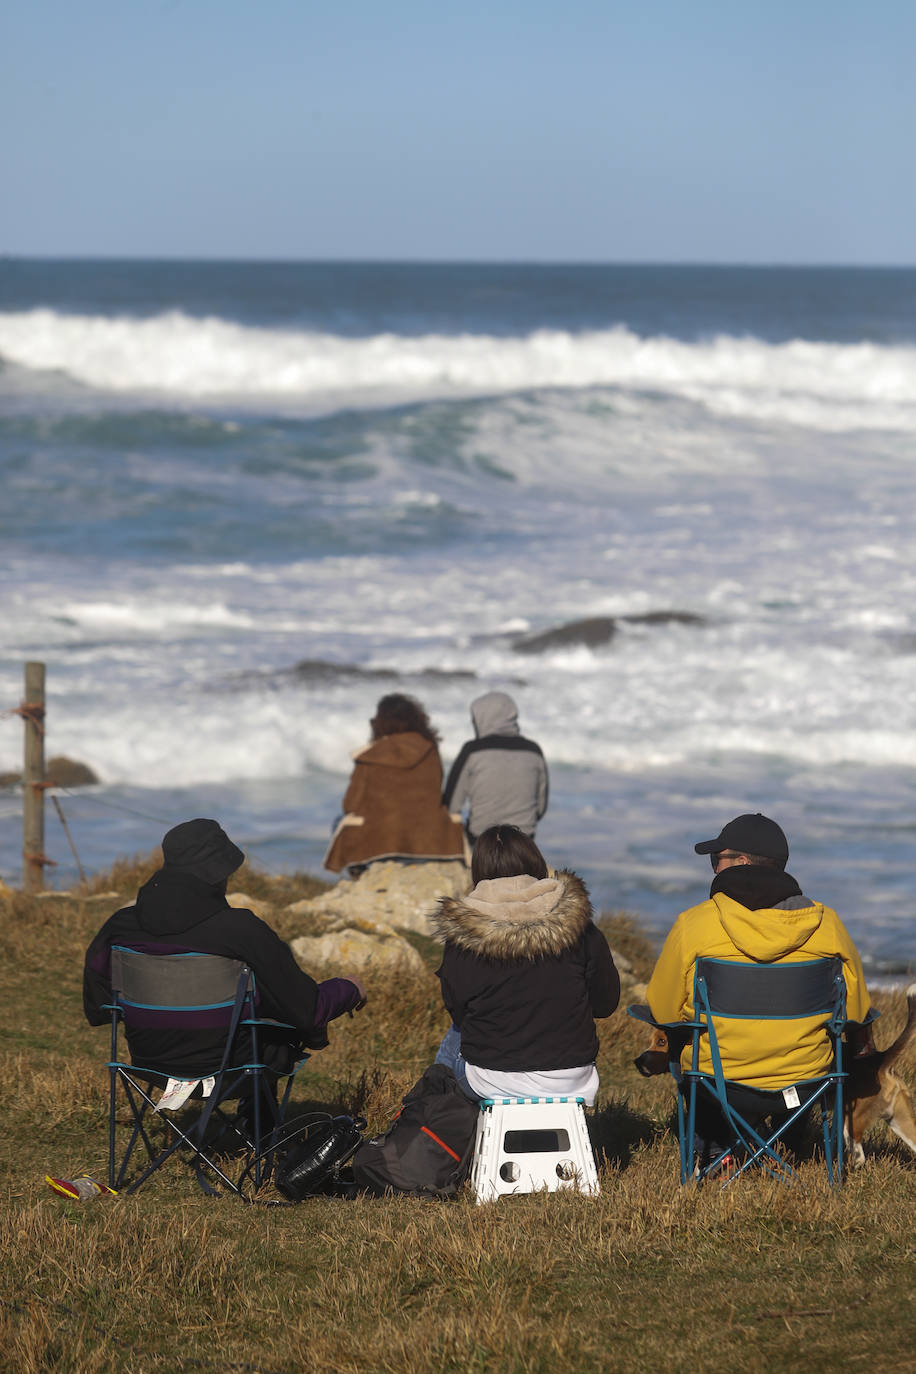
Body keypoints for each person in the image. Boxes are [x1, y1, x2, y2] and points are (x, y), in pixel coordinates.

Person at [645, 811, 874, 1160]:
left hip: (717, 1083)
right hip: (805, 1080)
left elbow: (663, 1011)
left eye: (715, 859)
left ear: (740, 861)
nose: (714, 868)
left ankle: (719, 1149)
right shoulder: (827, 924)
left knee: (683, 1046)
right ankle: (788, 1142)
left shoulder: (694, 924)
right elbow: (855, 1014)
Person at [84, 818, 367, 1084]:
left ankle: (253, 1121)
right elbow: (308, 1010)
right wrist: (350, 988)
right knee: (272, 1024)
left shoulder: (120, 926)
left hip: (149, 1065)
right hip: (234, 1068)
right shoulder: (241, 930)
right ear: (219, 875)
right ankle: (258, 1125)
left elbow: (99, 1007)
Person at [431, 824, 620, 1104]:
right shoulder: (582, 930)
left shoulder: (463, 938)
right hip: (571, 1076)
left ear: (479, 873)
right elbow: (605, 1004)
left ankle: (443, 1128)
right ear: (536, 864)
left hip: (492, 1078)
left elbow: (458, 1012)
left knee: (453, 1041)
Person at [324, 693, 465, 873]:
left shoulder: (370, 755)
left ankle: (360, 875)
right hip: (428, 841)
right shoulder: (430, 749)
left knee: (339, 821)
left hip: (381, 845)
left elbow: (350, 805)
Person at [442, 691, 548, 843]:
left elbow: (451, 806)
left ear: (483, 718)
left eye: (475, 719)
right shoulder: (534, 751)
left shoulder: (472, 751)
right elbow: (540, 809)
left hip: (482, 841)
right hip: (524, 841)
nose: (474, 723)